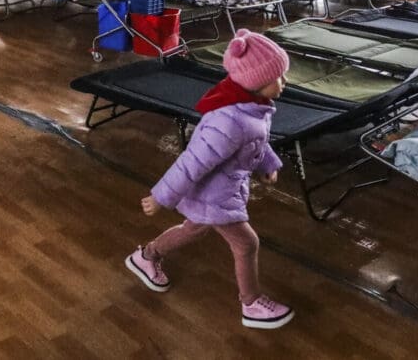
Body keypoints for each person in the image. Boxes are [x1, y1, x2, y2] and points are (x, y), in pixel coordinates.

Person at [126, 29, 295, 330]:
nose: (284, 83)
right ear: (255, 82)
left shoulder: (250, 108)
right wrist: (161, 197)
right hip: (216, 194)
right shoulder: (228, 122)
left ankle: (146, 255)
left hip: (224, 188)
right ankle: (252, 303)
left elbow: (257, 141)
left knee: (193, 229)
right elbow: (191, 163)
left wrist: (268, 163)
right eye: (278, 78)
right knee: (247, 244)